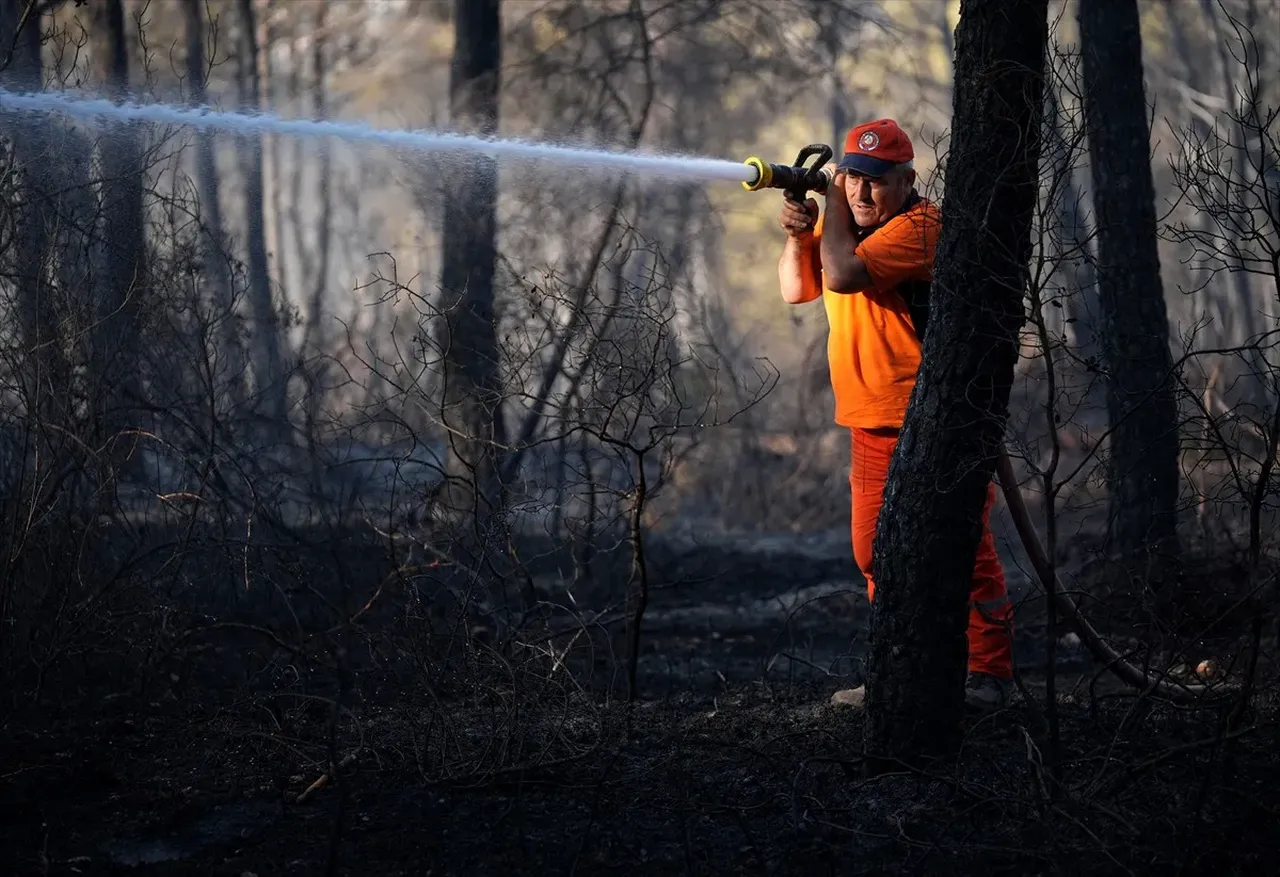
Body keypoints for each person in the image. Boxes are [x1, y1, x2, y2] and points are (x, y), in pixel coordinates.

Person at [776, 118, 1014, 712]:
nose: (860, 192)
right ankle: (897, 674)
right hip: (870, 421)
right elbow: (794, 289)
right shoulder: (843, 234)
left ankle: (989, 674)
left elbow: (846, 275)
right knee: (874, 554)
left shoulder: (923, 225)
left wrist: (828, 204)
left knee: (967, 548)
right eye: (851, 178)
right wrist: (799, 234)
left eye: (875, 182)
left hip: (934, 423)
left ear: (907, 180)